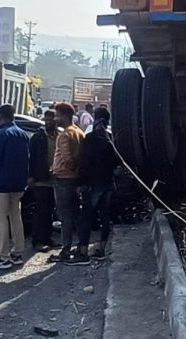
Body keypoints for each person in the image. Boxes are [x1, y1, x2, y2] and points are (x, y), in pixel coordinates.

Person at [67, 106, 120, 265]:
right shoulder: (111, 138)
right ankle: (101, 249)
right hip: (107, 183)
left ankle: (82, 251)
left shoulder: (89, 139)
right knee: (105, 217)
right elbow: (116, 163)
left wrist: (80, 183)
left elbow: (84, 162)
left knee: (86, 217)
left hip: (92, 184)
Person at [0, 104, 30, 270]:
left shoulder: (1, 134)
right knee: (16, 216)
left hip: (2, 183)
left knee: (0, 218)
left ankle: (3, 256)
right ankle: (18, 252)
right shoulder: (22, 134)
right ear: (13, 115)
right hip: (19, 183)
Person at [51, 102, 84, 261]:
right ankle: (80, 246)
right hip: (73, 179)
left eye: (57, 115)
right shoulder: (78, 132)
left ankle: (66, 249)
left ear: (64, 116)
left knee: (65, 216)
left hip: (64, 179)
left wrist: (68, 169)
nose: (55, 119)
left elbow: (67, 158)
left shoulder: (65, 135)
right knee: (75, 214)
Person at [28, 109, 58, 251]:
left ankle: (48, 238)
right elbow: (30, 158)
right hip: (41, 180)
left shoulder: (59, 136)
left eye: (51, 120)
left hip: (55, 180)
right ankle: (37, 241)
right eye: (46, 120)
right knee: (41, 211)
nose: (48, 122)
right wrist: (30, 176)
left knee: (50, 211)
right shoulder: (38, 138)